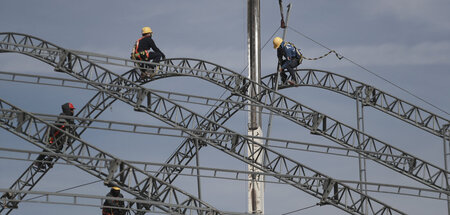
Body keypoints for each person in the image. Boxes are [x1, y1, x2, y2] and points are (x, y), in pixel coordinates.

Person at [34, 102, 76, 169]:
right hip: (53, 135)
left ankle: (49, 160)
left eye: (73, 110)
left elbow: (68, 130)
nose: (73, 111)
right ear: (68, 110)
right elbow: (63, 127)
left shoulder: (69, 119)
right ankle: (38, 161)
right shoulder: (62, 116)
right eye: (71, 110)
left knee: (59, 148)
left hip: (59, 137)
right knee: (50, 147)